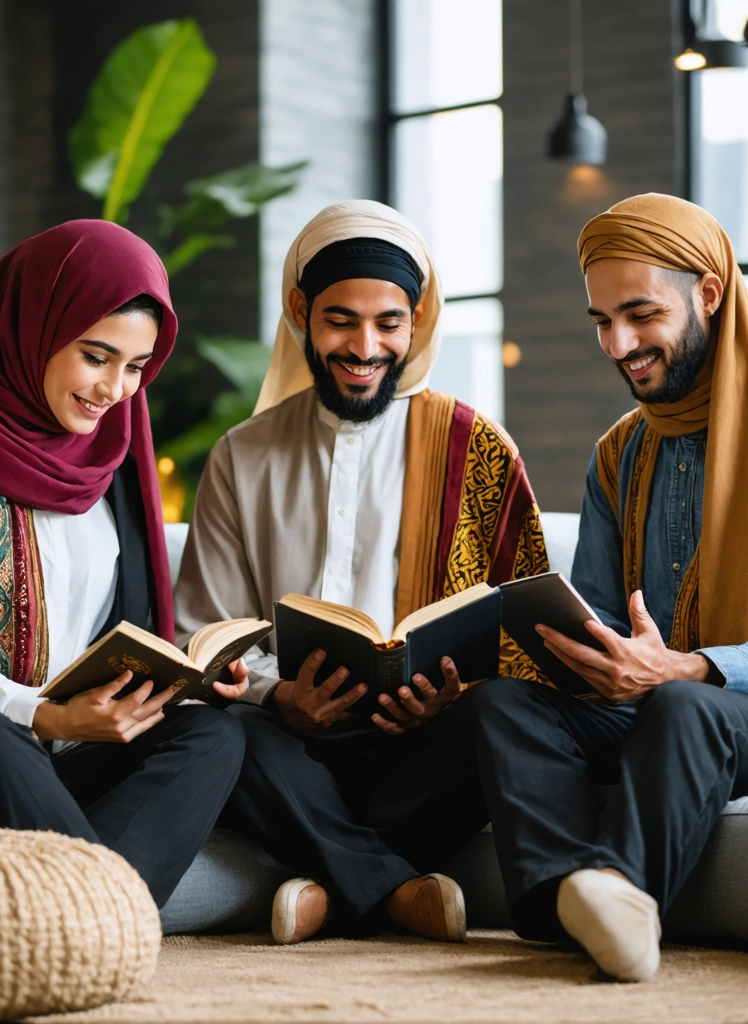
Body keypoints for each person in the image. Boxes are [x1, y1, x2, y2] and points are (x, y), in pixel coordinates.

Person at [470, 194, 748, 982]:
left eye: (640, 314)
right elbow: (595, 612)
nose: (618, 344)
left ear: (709, 295)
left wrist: (685, 668)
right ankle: (562, 908)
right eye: (601, 321)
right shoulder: (620, 453)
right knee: (506, 704)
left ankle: (622, 893)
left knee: (686, 706)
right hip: (658, 703)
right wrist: (575, 653)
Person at [175, 200, 550, 944]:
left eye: (388, 322)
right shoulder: (242, 455)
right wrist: (279, 697)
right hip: (286, 744)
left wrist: (449, 695)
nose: (365, 346)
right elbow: (204, 633)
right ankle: (392, 889)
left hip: (424, 746)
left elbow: (528, 635)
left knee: (505, 723)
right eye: (341, 320)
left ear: (418, 320)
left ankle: (331, 884)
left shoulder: (477, 446)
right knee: (218, 734)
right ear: (300, 313)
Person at [0, 220, 247, 910]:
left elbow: (112, 636)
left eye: (136, 367)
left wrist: (181, 681)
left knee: (211, 734)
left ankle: (82, 920)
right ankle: (106, 917)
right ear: (33, 329)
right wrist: (46, 717)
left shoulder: (111, 464)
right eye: (97, 356)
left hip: (67, 745)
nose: (115, 389)